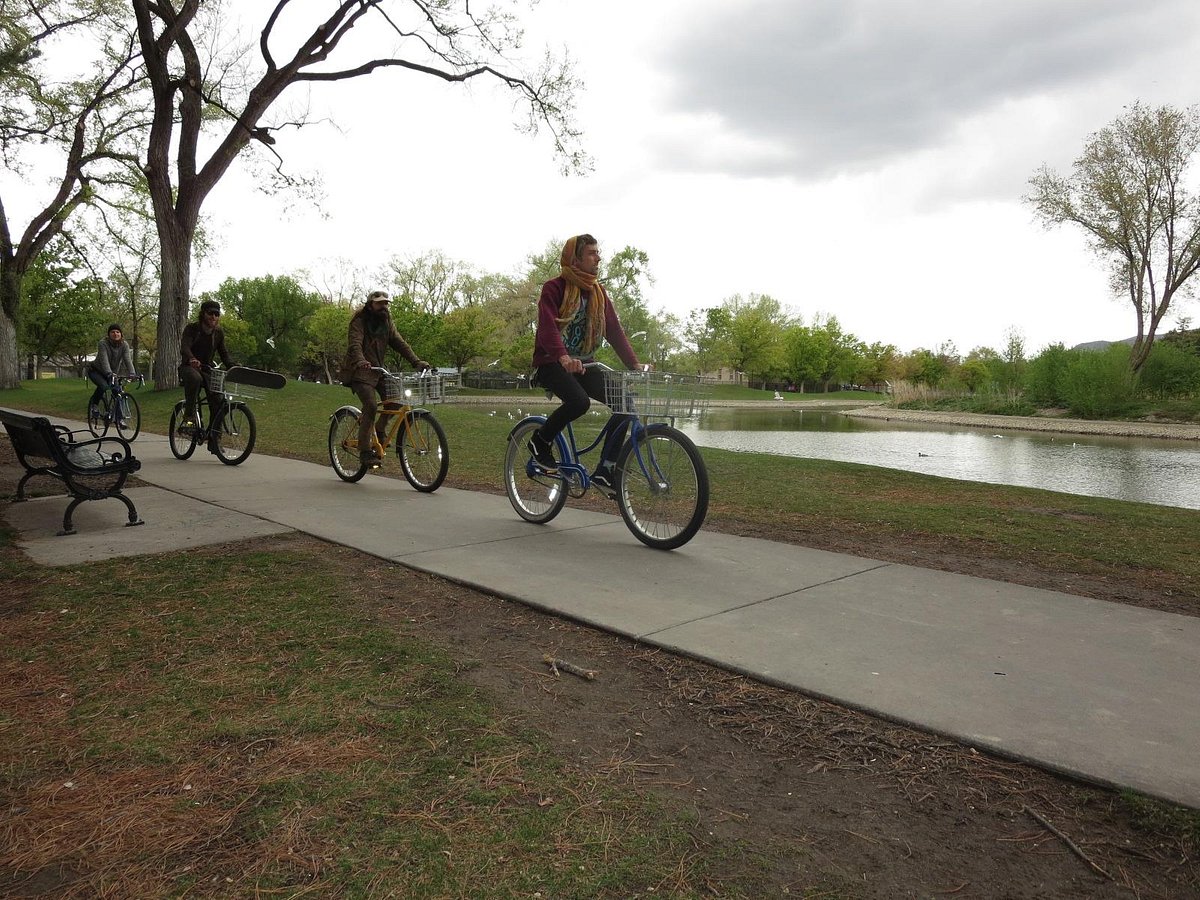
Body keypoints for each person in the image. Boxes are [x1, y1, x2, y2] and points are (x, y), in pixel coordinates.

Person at [528, 234, 642, 491]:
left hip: (585, 364)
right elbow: (547, 328)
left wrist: (634, 363)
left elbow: (613, 329)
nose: (598, 257)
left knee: (625, 404)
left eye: (597, 252)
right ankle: (540, 440)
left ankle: (606, 469)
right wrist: (563, 357)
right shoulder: (554, 288)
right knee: (579, 402)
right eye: (591, 253)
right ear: (575, 259)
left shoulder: (598, 293)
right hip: (551, 363)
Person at [342, 290, 432, 464]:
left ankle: (380, 428)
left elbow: (399, 343)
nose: (383, 306)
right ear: (370, 305)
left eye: (385, 303)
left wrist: (416, 361)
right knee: (370, 405)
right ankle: (365, 451)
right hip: (359, 371)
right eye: (379, 303)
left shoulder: (386, 322)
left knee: (397, 399)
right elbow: (355, 344)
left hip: (378, 370)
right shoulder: (359, 321)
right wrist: (360, 360)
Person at [178, 299, 235, 450]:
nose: (214, 317)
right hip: (188, 367)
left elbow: (224, 354)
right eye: (211, 313)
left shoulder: (218, 333)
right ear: (203, 313)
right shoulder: (192, 329)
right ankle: (189, 419)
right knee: (195, 379)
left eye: (217, 314)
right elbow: (184, 346)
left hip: (206, 369)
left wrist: (234, 366)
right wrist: (191, 358)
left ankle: (215, 440)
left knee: (218, 398)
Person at [87, 324, 136, 417]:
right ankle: (94, 406)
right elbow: (104, 360)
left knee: (118, 392)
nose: (115, 334)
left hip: (112, 374)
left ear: (121, 334)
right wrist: (109, 373)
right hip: (96, 371)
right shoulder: (103, 343)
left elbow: (127, 359)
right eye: (112, 332)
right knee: (103, 386)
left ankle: (119, 419)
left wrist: (132, 372)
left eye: (118, 332)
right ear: (109, 334)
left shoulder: (124, 345)